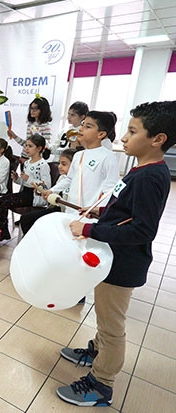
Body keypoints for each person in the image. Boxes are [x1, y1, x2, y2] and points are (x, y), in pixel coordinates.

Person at [57, 101, 176, 407]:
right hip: (112, 257)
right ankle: (96, 352)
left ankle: (101, 383)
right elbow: (127, 211)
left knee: (112, 326)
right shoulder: (140, 170)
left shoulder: (150, 177)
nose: (123, 137)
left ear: (158, 139)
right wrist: (101, 212)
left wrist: (89, 230)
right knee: (104, 314)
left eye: (132, 131)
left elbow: (142, 230)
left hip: (124, 263)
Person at [42, 111, 120, 215]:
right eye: (83, 124)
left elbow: (110, 190)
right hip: (71, 211)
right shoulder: (78, 155)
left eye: (88, 126)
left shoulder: (109, 157)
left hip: (89, 214)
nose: (81, 129)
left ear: (101, 134)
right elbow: (69, 179)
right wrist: (52, 190)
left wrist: (97, 210)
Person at [0, 134, 51, 240]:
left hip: (33, 196)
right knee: (1, 201)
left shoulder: (43, 165)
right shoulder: (27, 163)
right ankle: (2, 230)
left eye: (30, 146)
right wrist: (17, 179)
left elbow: (46, 185)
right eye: (26, 146)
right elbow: (24, 182)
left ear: (39, 148)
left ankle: (1, 231)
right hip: (24, 192)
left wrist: (29, 179)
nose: (26, 148)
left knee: (3, 201)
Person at [19, 148, 77, 235]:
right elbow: (54, 197)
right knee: (26, 219)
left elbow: (67, 205)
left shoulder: (78, 182)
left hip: (66, 213)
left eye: (64, 164)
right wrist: (46, 195)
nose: (59, 166)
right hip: (56, 209)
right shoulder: (62, 178)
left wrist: (54, 199)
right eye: (59, 163)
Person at [7, 96, 52, 160]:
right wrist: (14, 136)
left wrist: (37, 136)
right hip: (24, 157)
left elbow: (45, 147)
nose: (32, 111)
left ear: (43, 110)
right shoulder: (30, 125)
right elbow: (26, 144)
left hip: (34, 160)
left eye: (35, 109)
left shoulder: (46, 127)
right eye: (31, 108)